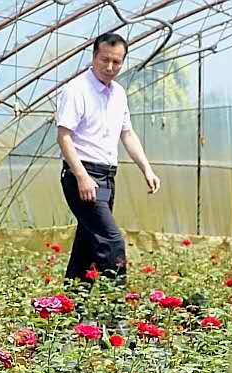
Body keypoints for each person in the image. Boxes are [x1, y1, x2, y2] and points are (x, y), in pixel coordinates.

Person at [53, 33, 160, 286]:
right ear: (94, 57)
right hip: (82, 175)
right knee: (111, 242)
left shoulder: (119, 93)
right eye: (105, 60)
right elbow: (64, 136)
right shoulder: (76, 90)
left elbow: (127, 133)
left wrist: (147, 169)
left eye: (117, 62)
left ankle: (70, 309)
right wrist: (82, 176)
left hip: (107, 177)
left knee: (87, 245)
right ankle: (116, 314)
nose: (110, 67)